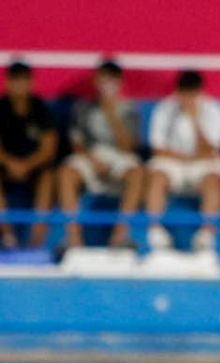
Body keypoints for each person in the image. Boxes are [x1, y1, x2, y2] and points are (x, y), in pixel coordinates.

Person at [57, 61, 145, 251]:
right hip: (91, 155)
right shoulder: (82, 108)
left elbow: (128, 147)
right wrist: (93, 160)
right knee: (66, 172)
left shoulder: (130, 109)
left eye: (111, 81)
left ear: (120, 83)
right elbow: (77, 143)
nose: (106, 85)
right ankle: (73, 238)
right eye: (102, 80)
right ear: (95, 81)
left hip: (119, 157)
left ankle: (120, 236)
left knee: (137, 173)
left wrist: (111, 113)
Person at [145, 70, 220, 252]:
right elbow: (157, 147)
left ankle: (206, 236)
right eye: (183, 93)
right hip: (173, 162)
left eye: (192, 93)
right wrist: (184, 157)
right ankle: (155, 233)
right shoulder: (165, 108)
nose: (187, 98)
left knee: (212, 181)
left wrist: (195, 120)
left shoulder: (214, 110)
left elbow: (211, 151)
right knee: (157, 177)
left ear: (200, 92)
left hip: (202, 165)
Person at [0, 62, 58, 249]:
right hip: (5, 166)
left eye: (24, 80)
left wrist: (27, 165)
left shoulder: (41, 110)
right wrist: (10, 163)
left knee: (48, 177)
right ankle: (7, 235)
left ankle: (36, 241)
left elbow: (48, 149)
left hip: (34, 168)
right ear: (7, 82)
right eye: (15, 81)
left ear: (31, 83)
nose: (19, 86)